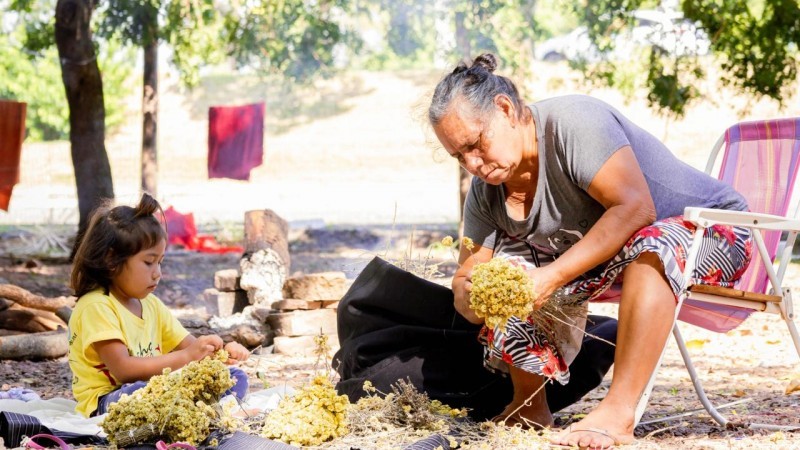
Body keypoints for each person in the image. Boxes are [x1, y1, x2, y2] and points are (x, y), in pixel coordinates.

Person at [428, 53, 751, 448]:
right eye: (459, 156)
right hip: (621, 258)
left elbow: (636, 209)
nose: (472, 164)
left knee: (654, 242)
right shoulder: (486, 193)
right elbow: (466, 276)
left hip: (718, 235)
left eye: (476, 144)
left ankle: (618, 412)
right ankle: (529, 405)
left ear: (505, 109)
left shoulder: (574, 123)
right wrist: (473, 293)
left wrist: (550, 277)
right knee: (505, 274)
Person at [67, 193, 250, 418]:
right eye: (148, 262)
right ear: (111, 260)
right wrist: (187, 358)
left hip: (157, 389)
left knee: (234, 377)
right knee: (142, 393)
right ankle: (208, 412)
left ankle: (208, 412)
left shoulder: (151, 305)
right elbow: (123, 371)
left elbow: (192, 350)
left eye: (160, 262)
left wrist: (221, 353)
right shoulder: (96, 306)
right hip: (110, 400)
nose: (158, 273)